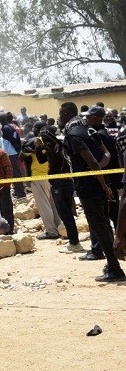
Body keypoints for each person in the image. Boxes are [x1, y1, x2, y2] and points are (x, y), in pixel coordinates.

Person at [60, 102, 125, 281]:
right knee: (104, 225)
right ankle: (112, 263)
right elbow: (106, 156)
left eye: (60, 115)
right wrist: (101, 179)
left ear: (66, 115)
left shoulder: (73, 135)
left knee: (100, 227)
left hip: (89, 188)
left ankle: (114, 268)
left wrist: (102, 182)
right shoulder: (90, 131)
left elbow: (93, 162)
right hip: (98, 184)